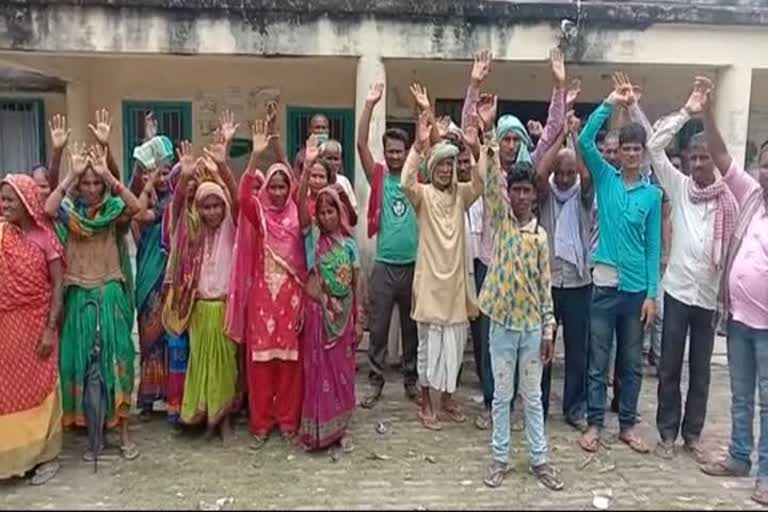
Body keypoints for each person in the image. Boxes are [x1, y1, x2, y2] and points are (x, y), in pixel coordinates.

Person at [461, 48, 568, 430]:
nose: (508, 145)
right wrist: (474, 86)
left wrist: (558, 86)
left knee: (525, 346)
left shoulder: (528, 169)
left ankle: (521, 407)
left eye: (514, 139)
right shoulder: (488, 163)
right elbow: (470, 131)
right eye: (504, 139)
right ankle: (494, 405)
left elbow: (554, 130)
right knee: (491, 344)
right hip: (490, 263)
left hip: (526, 269)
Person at [644, 78, 736, 462]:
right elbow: (653, 146)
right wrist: (687, 109)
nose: (698, 163)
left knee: (701, 370)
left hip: (708, 296)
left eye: (704, 157)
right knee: (669, 366)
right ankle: (667, 432)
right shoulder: (679, 187)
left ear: (714, 159)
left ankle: (692, 434)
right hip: (678, 291)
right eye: (694, 157)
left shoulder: (730, 199)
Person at [476, 94, 561, 490]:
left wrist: (548, 332)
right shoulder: (503, 222)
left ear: (535, 195)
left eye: (528, 191)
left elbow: (546, 289)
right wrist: (489, 130)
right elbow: (491, 177)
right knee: (500, 397)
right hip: (501, 328)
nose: (522, 196)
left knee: (531, 398)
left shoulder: (540, 238)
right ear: (510, 194)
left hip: (530, 330)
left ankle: (540, 459)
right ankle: (499, 457)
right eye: (517, 190)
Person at [577, 72, 662, 455]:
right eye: (624, 148)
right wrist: (611, 102)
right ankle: (595, 424)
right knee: (598, 361)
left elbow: (652, 248)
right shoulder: (606, 179)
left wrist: (652, 294)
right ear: (618, 151)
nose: (629, 154)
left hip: (635, 293)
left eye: (635, 149)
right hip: (604, 286)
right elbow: (583, 139)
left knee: (630, 363)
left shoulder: (652, 195)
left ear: (642, 153)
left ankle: (627, 424)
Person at [44, 141, 143, 461]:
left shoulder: (113, 211)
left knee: (119, 362)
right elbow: (47, 208)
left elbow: (135, 207)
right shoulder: (68, 213)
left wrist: (110, 177)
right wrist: (69, 176)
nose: (90, 188)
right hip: (79, 296)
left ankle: (125, 433)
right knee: (82, 364)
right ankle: (93, 435)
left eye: (95, 183)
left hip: (109, 292)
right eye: (85, 183)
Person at [699, 77, 768, 507]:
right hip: (741, 321)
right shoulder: (752, 195)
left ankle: (767, 475)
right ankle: (739, 457)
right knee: (741, 395)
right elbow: (722, 156)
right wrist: (706, 111)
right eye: (765, 163)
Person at [401, 89, 484, 430]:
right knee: (428, 348)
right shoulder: (423, 196)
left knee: (454, 348)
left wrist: (477, 141)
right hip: (430, 285)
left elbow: (479, 182)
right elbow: (406, 180)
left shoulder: (461, 196)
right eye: (442, 166)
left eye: (451, 166)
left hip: (455, 287)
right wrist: (419, 145)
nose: (447, 171)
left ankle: (448, 400)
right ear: (432, 169)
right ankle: (425, 402)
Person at [228, 120, 306, 449]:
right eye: (272, 186)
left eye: (282, 186)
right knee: (260, 365)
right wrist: (255, 157)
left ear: (289, 188)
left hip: (291, 298)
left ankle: (287, 421)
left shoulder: (297, 215)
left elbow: (304, 190)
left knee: (288, 364)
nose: (276, 192)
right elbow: (242, 196)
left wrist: (288, 155)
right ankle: (260, 423)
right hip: (262, 299)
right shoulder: (258, 214)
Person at [163, 139, 239, 443]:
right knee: (202, 364)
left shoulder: (232, 228)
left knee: (225, 366)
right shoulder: (191, 230)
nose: (211, 212)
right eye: (206, 206)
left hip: (224, 307)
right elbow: (178, 204)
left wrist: (222, 165)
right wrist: (184, 176)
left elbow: (236, 196)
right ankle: (207, 418)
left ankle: (225, 421)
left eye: (216, 205)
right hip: (198, 308)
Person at [357, 81, 420, 408]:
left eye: (400, 151)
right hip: (383, 263)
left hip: (412, 264)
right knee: (378, 329)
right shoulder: (378, 175)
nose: (395, 156)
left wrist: (423, 111)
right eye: (390, 151)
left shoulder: (416, 176)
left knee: (412, 329)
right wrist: (369, 104)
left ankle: (411, 380)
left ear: (407, 152)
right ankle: (375, 382)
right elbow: (360, 144)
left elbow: (431, 146)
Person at [0, 175, 64, 485]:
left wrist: (51, 329)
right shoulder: (1, 236)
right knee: (8, 394)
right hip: (6, 328)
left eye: (10, 200)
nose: (4, 205)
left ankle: (47, 456)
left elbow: (58, 287)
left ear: (26, 202)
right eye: (2, 199)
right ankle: (14, 458)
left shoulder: (45, 238)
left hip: (38, 325)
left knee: (42, 389)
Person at [297, 153, 363, 450]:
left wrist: (359, 318)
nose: (325, 217)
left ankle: (341, 428)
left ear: (340, 212)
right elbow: (301, 209)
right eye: (321, 212)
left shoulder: (349, 246)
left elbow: (356, 283)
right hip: (319, 317)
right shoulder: (313, 240)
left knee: (342, 373)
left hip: (345, 316)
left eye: (331, 212)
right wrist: (308, 169)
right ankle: (320, 430)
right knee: (319, 372)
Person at [536, 111, 594, 432]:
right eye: (560, 172)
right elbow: (540, 172)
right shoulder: (543, 195)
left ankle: (574, 409)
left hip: (578, 284)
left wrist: (576, 141)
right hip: (547, 283)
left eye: (569, 172)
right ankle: (539, 407)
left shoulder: (584, 195)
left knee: (577, 350)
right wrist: (560, 138)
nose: (564, 177)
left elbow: (587, 177)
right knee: (543, 347)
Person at [132, 147, 175, 422]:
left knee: (170, 337)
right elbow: (137, 215)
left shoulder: (172, 203)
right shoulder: (144, 200)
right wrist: (148, 182)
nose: (161, 178)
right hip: (148, 275)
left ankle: (172, 394)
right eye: (155, 173)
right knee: (149, 338)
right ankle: (148, 399)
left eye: (166, 172)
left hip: (168, 274)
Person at [320, 139, 358, 215]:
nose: (332, 163)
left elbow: (354, 215)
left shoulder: (344, 182)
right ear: (321, 159)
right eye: (329, 158)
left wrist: (344, 197)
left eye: (336, 159)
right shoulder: (315, 180)